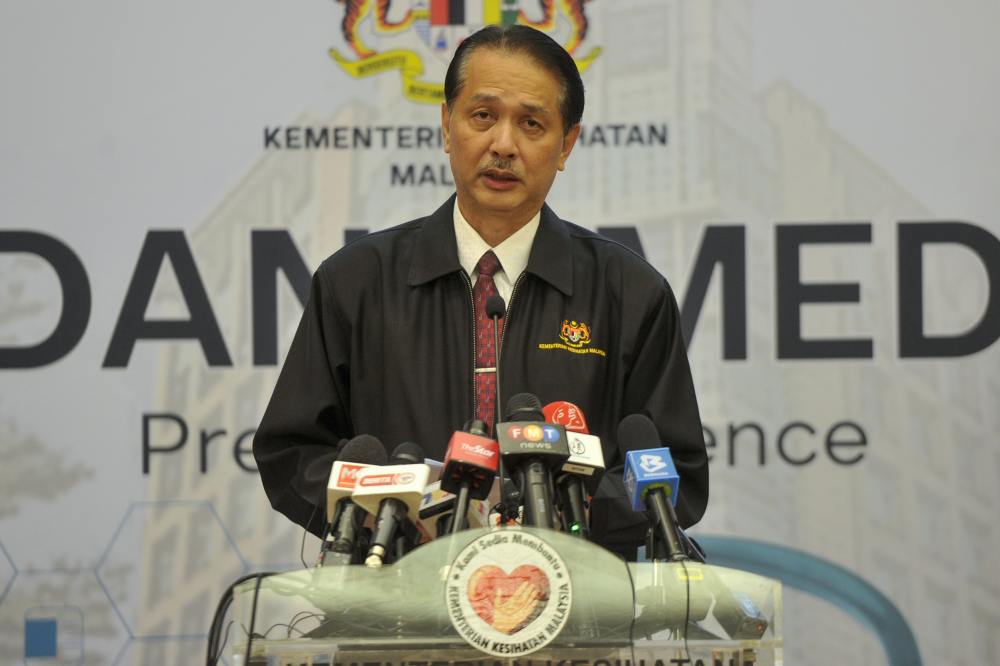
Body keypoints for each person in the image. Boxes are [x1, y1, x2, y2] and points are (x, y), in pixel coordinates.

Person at [254, 24, 708, 560]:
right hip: (397, 605)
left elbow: (674, 473)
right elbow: (292, 453)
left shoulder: (629, 294)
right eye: (483, 116)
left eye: (532, 123)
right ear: (448, 126)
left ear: (566, 145)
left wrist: (552, 516)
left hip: (579, 616)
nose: (503, 144)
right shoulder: (356, 282)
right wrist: (395, 513)